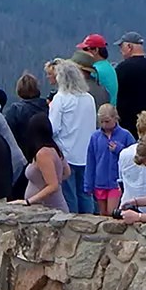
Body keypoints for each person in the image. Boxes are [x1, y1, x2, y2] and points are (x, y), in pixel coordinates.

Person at [48, 59, 97, 213]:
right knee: (85, 194)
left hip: (66, 153)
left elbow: (53, 128)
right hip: (86, 154)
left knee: (69, 196)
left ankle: (72, 227)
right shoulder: (89, 98)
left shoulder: (60, 98)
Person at [115, 32, 146, 139]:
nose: (121, 51)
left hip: (128, 126)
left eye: (121, 47)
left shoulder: (122, 69)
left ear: (129, 46)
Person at [85, 104, 133, 215]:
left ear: (115, 118)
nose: (104, 125)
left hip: (116, 182)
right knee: (103, 214)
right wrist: (88, 184)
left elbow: (133, 156)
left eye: (107, 121)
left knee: (112, 213)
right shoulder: (95, 137)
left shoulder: (125, 135)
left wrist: (119, 150)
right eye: (101, 122)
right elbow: (91, 161)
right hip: (99, 182)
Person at [19, 114, 70, 210]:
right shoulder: (55, 148)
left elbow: (53, 185)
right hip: (47, 206)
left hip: (49, 207)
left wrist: (29, 201)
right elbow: (67, 172)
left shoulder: (43, 154)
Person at [4, 73, 50, 160]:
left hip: (24, 155)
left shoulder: (15, 110)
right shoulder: (47, 106)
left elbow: (9, 135)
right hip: (46, 155)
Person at [78, 34, 119, 107]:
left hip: (100, 111)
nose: (82, 52)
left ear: (96, 50)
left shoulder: (96, 70)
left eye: (85, 49)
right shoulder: (107, 66)